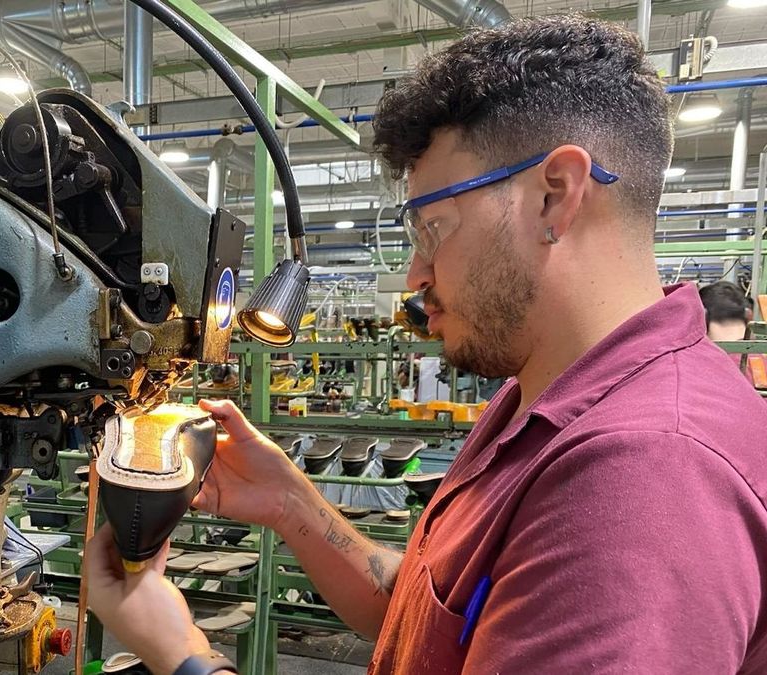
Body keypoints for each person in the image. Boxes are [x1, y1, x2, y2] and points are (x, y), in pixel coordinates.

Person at [84, 15, 767, 674]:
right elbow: (423, 616)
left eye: (431, 228)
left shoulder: (644, 477)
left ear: (556, 195)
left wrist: (183, 654)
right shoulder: (543, 397)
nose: (413, 276)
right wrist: (291, 501)